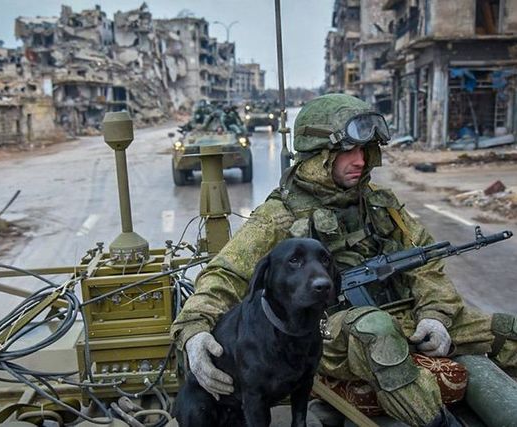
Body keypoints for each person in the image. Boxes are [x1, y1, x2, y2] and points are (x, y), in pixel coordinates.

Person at [171, 94, 517, 426]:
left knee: (507, 331)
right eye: (348, 151)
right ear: (319, 157)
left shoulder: (379, 203)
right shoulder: (279, 215)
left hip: (402, 313)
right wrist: (195, 329)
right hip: (329, 331)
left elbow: (425, 258)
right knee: (376, 332)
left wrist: (435, 314)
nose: (361, 161)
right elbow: (225, 274)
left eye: (364, 150)